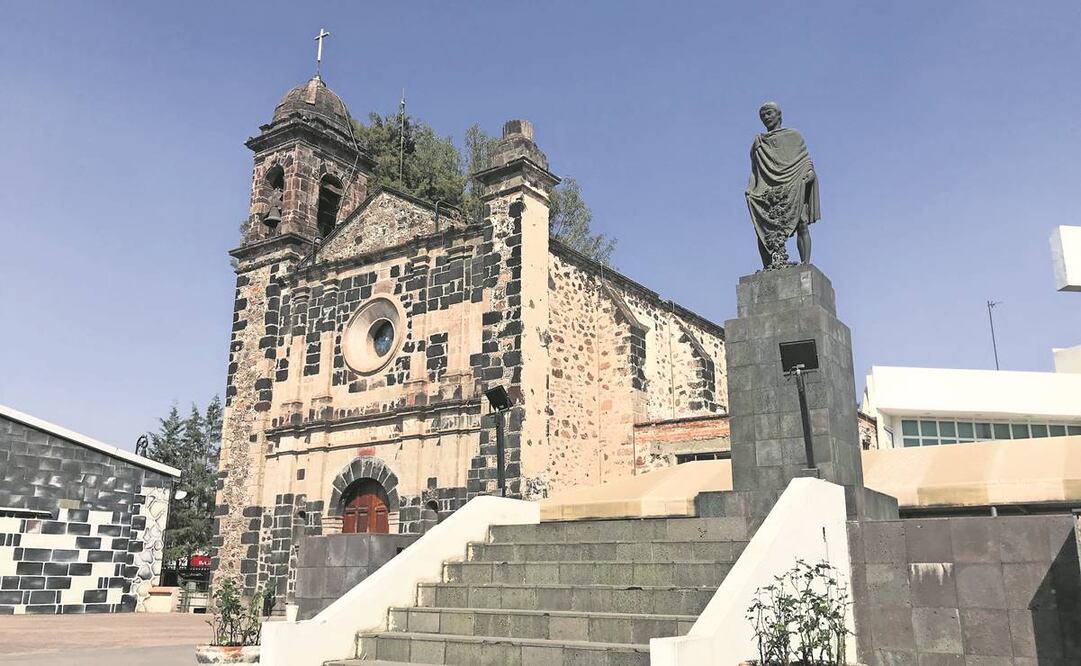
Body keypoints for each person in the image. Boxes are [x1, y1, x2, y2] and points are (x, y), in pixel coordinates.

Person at [745, 102, 820, 268]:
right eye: (763, 115)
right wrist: (750, 188)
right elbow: (755, 169)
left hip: (793, 183)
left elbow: (805, 159)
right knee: (762, 229)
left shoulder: (794, 136)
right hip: (768, 188)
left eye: (769, 113)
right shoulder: (759, 142)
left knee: (802, 222)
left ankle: (805, 264)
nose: (766, 117)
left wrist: (810, 171)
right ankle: (769, 267)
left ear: (779, 115)